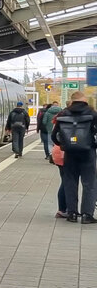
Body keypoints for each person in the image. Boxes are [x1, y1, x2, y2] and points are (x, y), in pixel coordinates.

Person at [51, 91, 97, 223]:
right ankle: (87, 215)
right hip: (88, 153)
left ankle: (71, 214)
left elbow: (54, 136)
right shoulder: (92, 113)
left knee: (70, 182)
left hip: (70, 153)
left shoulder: (63, 113)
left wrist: (65, 145)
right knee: (89, 184)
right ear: (84, 100)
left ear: (72, 100)